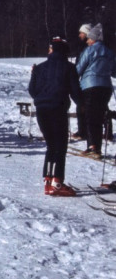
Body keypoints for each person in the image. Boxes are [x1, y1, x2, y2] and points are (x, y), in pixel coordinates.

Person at [28, 37, 82, 196]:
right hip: (57, 108)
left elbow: (32, 91)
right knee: (60, 146)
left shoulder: (39, 68)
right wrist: (83, 105)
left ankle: (48, 180)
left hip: (42, 110)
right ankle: (57, 182)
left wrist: (40, 92)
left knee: (51, 145)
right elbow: (75, 91)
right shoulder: (69, 67)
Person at [75, 23, 115, 159]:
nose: (87, 41)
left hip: (90, 86)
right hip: (106, 87)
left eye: (89, 38)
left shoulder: (90, 50)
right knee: (99, 116)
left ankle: (93, 147)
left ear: (94, 39)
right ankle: (96, 146)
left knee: (90, 117)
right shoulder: (109, 52)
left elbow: (79, 69)